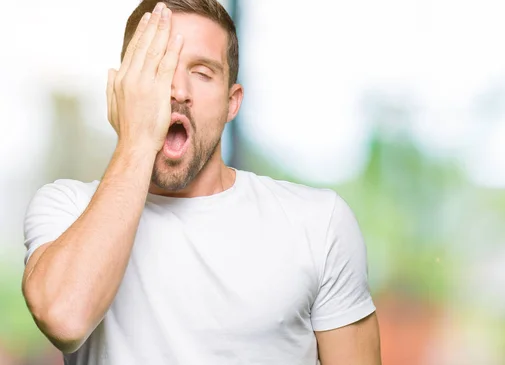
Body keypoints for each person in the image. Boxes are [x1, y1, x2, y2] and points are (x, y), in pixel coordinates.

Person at [21, 1, 381, 364]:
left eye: (202, 72)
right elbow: (64, 318)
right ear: (123, 90)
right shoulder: (67, 208)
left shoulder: (318, 223)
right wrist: (135, 142)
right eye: (158, 68)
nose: (177, 90)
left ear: (231, 102)